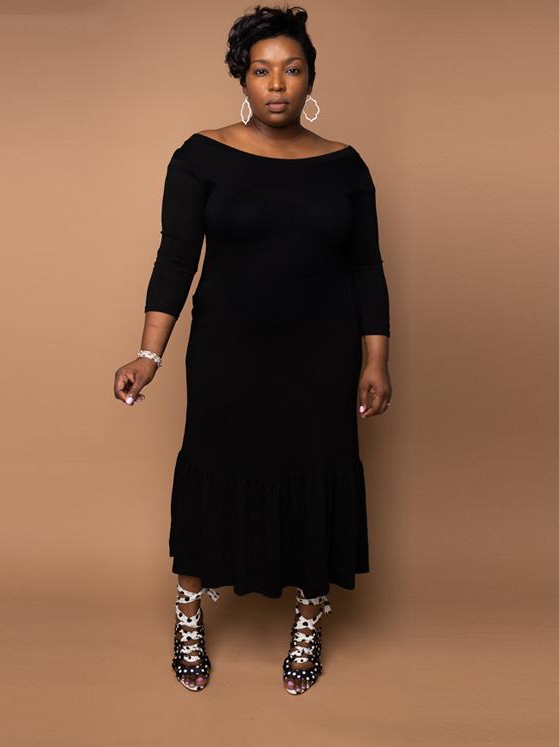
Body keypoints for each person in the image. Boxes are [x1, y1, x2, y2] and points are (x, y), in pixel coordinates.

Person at [113, 3, 392, 696]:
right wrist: (147, 355)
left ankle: (308, 619)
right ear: (242, 77)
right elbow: (176, 259)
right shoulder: (200, 156)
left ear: (310, 78)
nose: (277, 84)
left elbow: (366, 267)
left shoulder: (345, 166)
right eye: (262, 70)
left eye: (291, 70)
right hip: (228, 356)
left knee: (316, 472)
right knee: (215, 469)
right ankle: (188, 613)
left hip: (320, 358)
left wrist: (375, 359)